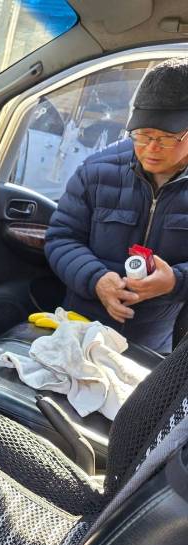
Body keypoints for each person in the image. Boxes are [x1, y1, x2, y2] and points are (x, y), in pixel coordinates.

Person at [44, 57, 188, 353]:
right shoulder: (97, 170)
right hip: (80, 330)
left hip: (159, 345)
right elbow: (61, 238)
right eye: (143, 134)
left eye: (166, 138)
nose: (151, 148)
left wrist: (175, 281)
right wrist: (96, 278)